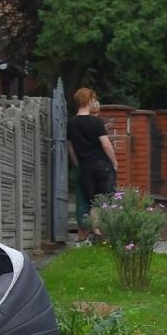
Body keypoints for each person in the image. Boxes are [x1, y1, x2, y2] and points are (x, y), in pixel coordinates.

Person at [67, 88, 119, 244]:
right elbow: (105, 144)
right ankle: (103, 234)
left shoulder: (71, 123)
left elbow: (70, 148)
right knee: (106, 200)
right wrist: (114, 162)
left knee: (93, 201)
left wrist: (78, 164)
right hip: (102, 165)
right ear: (89, 100)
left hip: (85, 167)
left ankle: (92, 231)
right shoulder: (96, 122)